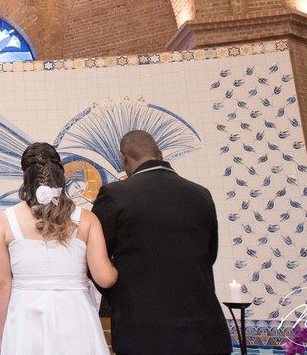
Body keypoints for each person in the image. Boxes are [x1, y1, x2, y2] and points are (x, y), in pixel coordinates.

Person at [91, 130, 231, 355]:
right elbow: (209, 255)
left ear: (123, 158)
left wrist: (122, 297)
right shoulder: (201, 195)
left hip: (144, 331)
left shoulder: (115, 195)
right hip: (205, 331)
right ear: (160, 153)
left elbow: (95, 261)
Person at [0, 142, 116, 355]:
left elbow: (1, 284)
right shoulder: (87, 219)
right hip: (76, 317)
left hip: (25, 319)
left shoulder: (7, 219)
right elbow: (104, 278)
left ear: (24, 176)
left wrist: (0, 339)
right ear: (61, 175)